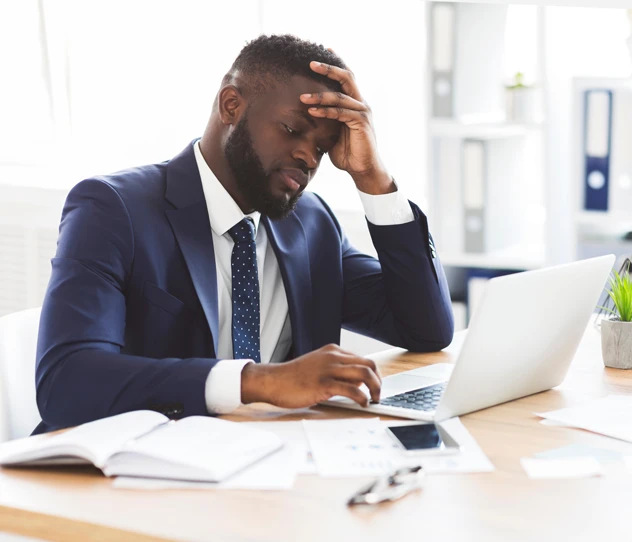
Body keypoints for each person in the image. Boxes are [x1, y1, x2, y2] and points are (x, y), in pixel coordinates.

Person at [34, 35, 454, 434]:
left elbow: (426, 330)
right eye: (292, 130)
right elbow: (67, 380)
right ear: (232, 104)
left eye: (322, 149)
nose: (308, 155)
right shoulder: (113, 209)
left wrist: (372, 178)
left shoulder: (310, 224)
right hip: (127, 477)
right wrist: (259, 382)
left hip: (263, 467)